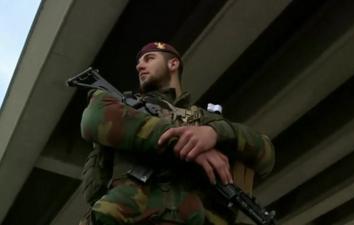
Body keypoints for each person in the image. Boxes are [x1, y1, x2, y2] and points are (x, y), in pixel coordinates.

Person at [79, 42, 275, 225]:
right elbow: (94, 120)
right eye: (139, 62)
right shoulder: (119, 104)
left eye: (149, 58)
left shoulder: (205, 119)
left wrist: (216, 132)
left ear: (173, 63)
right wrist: (186, 143)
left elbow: (266, 155)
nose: (140, 66)